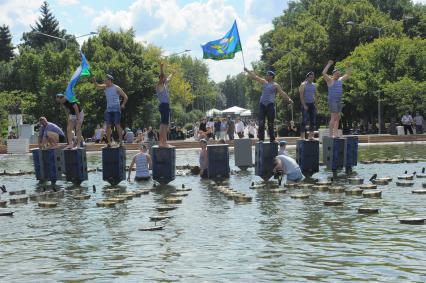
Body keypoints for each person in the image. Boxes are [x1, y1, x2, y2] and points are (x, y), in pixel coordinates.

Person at [244, 68, 293, 142]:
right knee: (261, 122)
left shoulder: (275, 85)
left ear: (271, 76)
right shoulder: (264, 82)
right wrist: (247, 70)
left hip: (270, 105)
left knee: (270, 123)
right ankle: (261, 139)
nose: (266, 76)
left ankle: (272, 139)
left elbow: (282, 93)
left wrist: (289, 99)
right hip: (262, 105)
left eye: (267, 75)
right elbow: (255, 77)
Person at [93, 74, 128, 147]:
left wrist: (123, 104)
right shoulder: (105, 86)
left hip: (116, 109)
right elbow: (97, 86)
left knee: (117, 124)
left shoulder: (116, 88)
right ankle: (109, 143)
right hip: (108, 110)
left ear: (110, 80)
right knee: (108, 126)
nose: (104, 81)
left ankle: (121, 142)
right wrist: (94, 81)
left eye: (106, 80)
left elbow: (125, 97)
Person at [322, 60, 352, 138]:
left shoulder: (340, 80)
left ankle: (335, 134)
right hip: (332, 100)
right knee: (333, 117)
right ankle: (330, 135)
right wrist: (328, 64)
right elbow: (323, 73)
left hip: (339, 100)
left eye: (339, 73)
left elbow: (348, 74)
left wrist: (349, 66)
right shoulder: (330, 80)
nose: (338, 74)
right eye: (336, 73)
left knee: (338, 117)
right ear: (333, 74)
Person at [156, 63, 173, 147]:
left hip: (165, 106)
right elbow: (163, 75)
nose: (166, 78)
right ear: (161, 79)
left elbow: (168, 79)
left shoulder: (164, 85)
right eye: (164, 77)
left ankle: (161, 142)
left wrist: (172, 74)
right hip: (164, 106)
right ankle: (164, 142)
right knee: (164, 125)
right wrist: (161, 68)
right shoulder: (159, 85)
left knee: (163, 124)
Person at [299, 71, 317, 140]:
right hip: (305, 104)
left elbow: (315, 95)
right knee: (304, 120)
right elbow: (301, 96)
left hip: (312, 104)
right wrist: (304, 105)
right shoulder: (303, 84)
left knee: (313, 121)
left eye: (312, 77)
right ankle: (302, 137)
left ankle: (311, 136)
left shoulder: (314, 85)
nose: (311, 78)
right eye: (310, 77)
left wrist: (316, 104)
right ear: (307, 77)